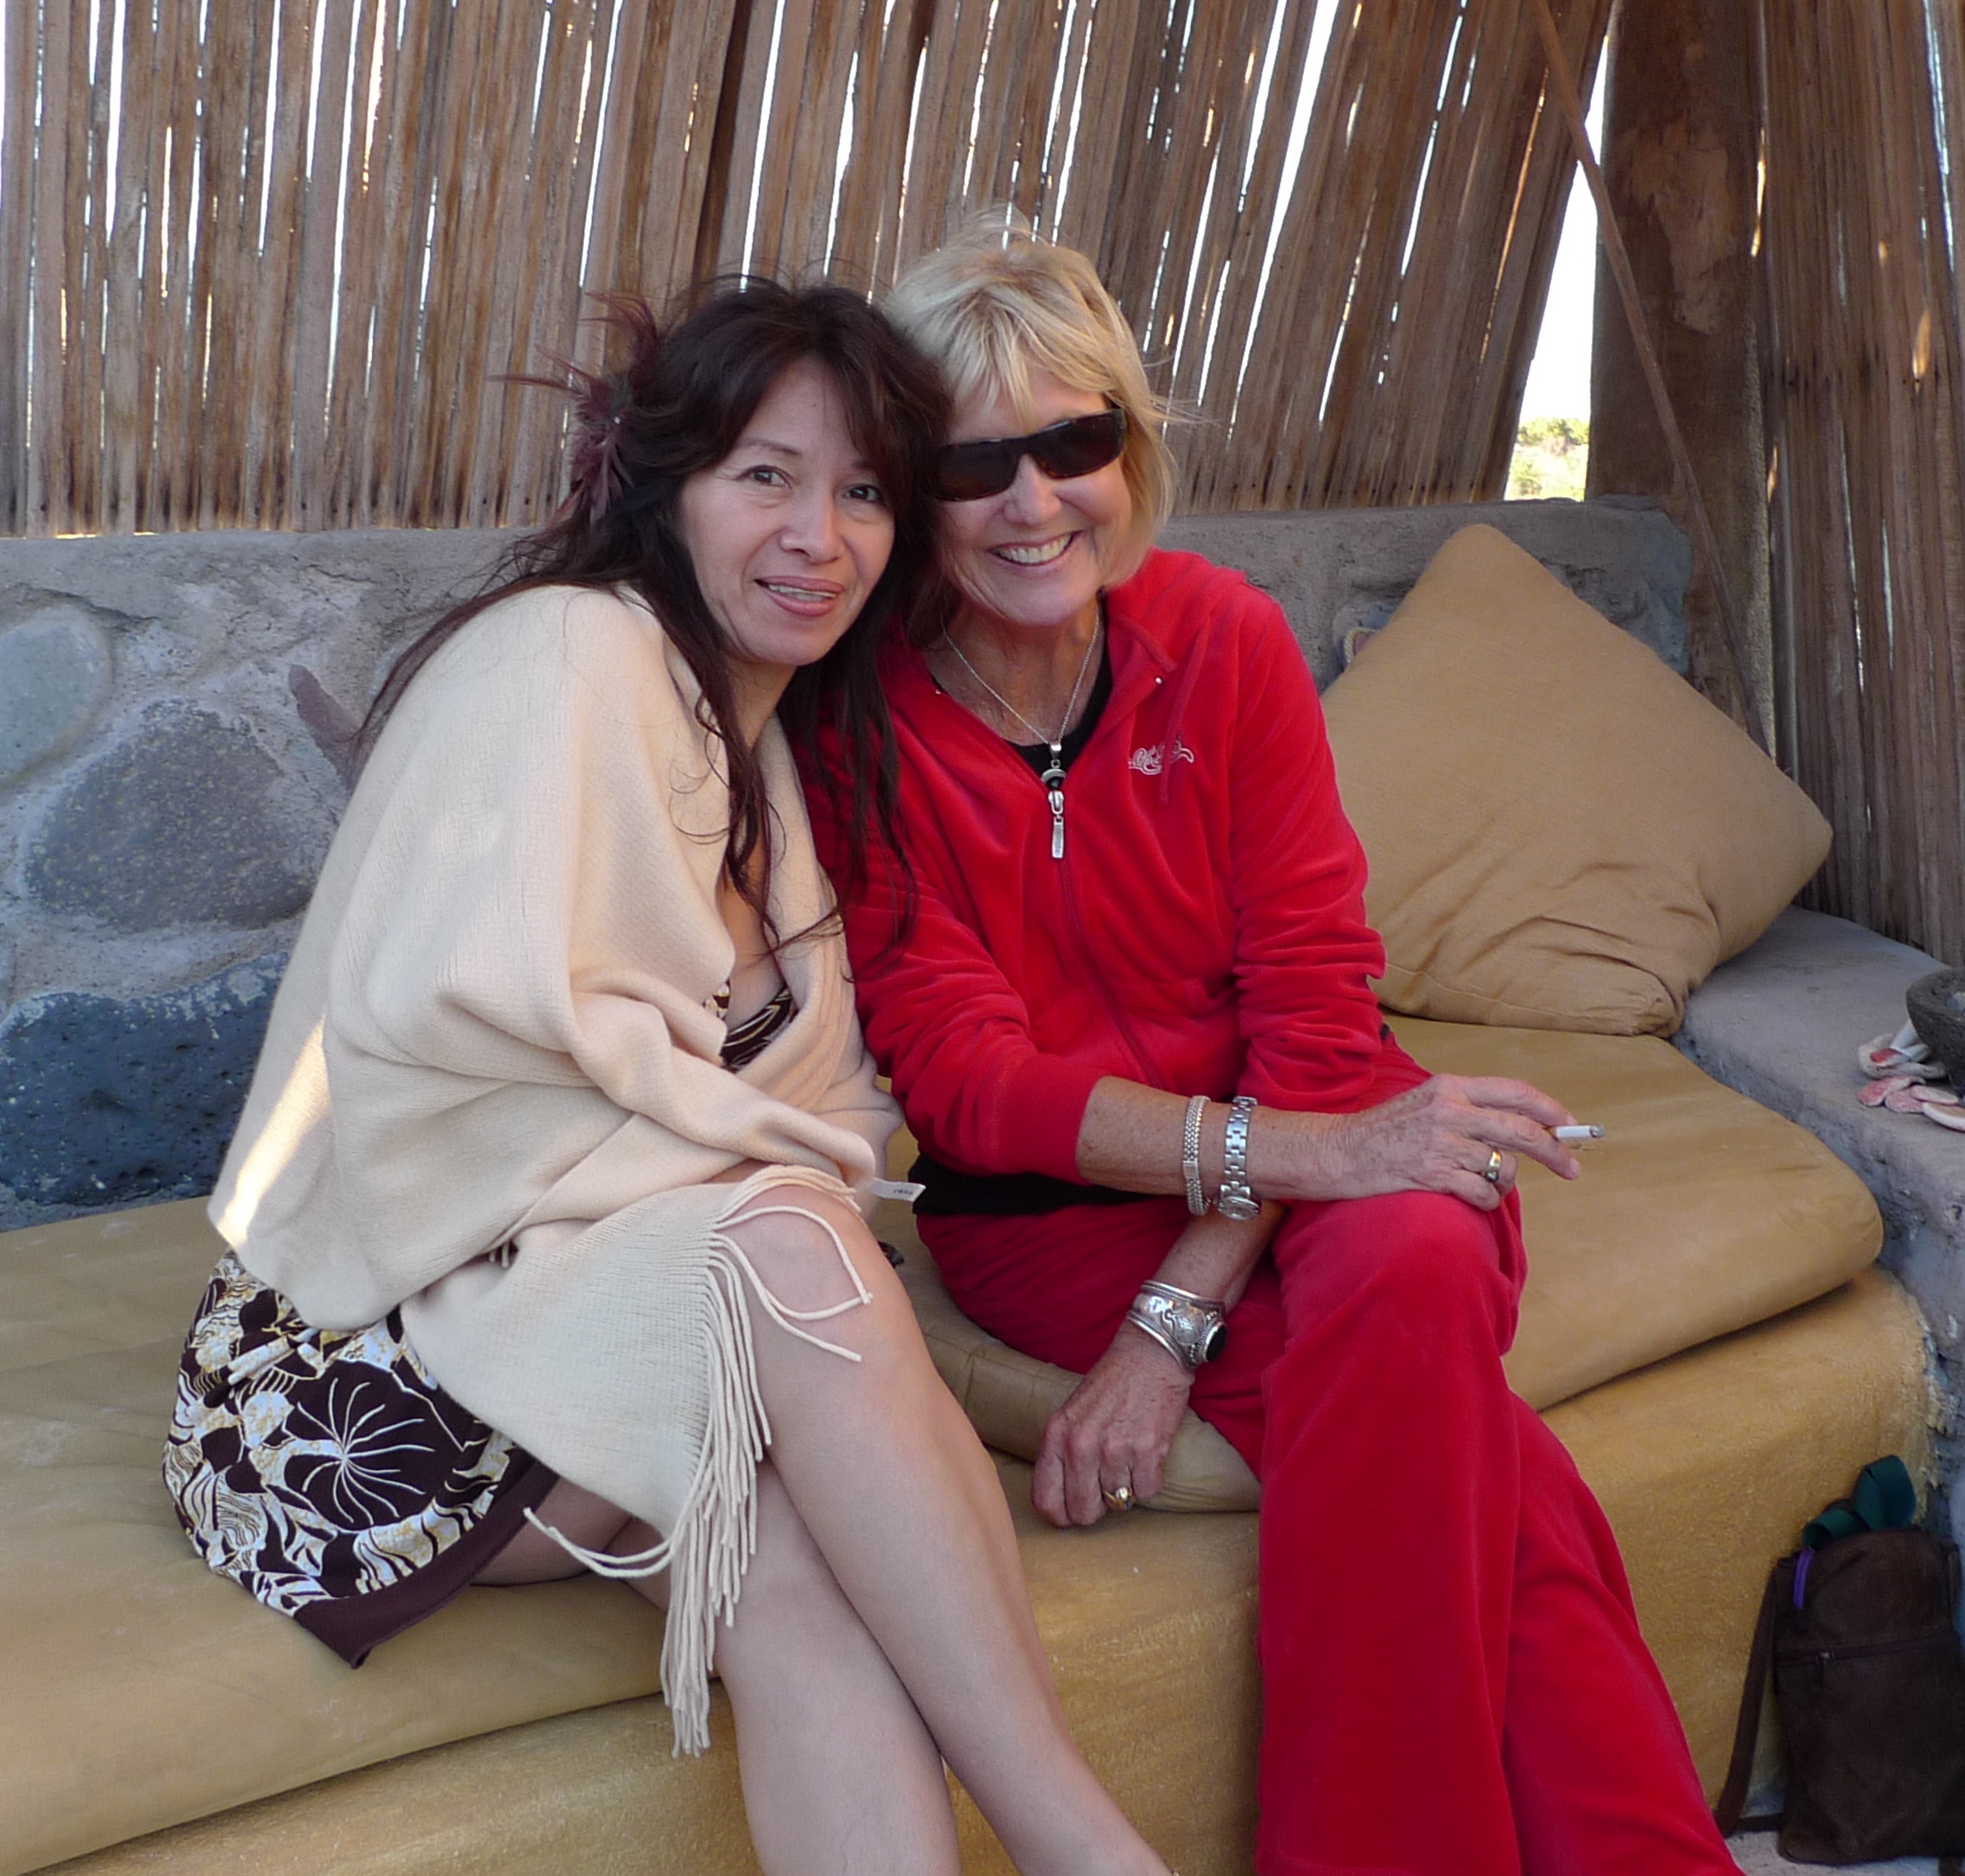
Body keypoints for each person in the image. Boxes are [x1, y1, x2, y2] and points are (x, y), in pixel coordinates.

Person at [164, 280, 1172, 1876]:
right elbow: (438, 1035)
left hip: (577, 1347)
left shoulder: (769, 760)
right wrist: (760, 1193)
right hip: (354, 1378)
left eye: (862, 492)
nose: (816, 536)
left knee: (789, 1562)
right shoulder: (568, 653)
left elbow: (835, 1119)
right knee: (791, 1246)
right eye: (765, 475)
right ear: (670, 485)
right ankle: (1084, 1847)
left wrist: (768, 1187)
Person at [806, 225, 1741, 1876]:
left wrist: (1180, 1317)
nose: (1033, 501)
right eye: (972, 461)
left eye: (1074, 441)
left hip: (1301, 1149)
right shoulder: (860, 725)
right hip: (1056, 1223)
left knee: (1420, 1256)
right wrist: (1302, 1170)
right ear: (910, 487)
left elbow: (1315, 1003)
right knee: (1483, 1457)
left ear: (1128, 446)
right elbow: (968, 1082)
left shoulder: (1221, 642)